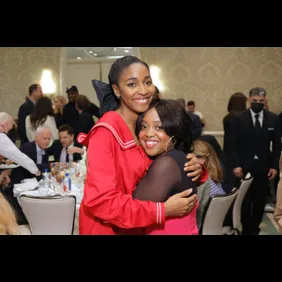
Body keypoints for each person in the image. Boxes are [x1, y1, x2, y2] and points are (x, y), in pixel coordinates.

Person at [78, 55, 206, 235]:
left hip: (138, 227)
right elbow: (101, 201)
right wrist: (161, 211)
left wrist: (192, 168)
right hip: (109, 229)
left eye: (147, 82)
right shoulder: (105, 133)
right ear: (116, 90)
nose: (143, 90)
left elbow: (167, 161)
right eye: (132, 84)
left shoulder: (146, 122)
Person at [132, 99, 198, 235]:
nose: (149, 133)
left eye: (159, 127)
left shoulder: (166, 164)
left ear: (174, 131)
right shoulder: (177, 157)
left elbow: (134, 213)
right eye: (144, 126)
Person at [226, 87, 281, 235]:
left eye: (261, 101)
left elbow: (277, 146)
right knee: (243, 201)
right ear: (249, 100)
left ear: (265, 101)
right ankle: (246, 228)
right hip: (243, 167)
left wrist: (275, 166)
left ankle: (254, 229)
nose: (258, 103)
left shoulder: (273, 119)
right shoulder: (238, 119)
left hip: (264, 167)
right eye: (255, 101)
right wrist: (235, 165)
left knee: (259, 201)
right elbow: (230, 145)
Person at [0, 112, 41, 177]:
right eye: (9, 128)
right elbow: (17, 156)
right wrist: (35, 170)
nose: (7, 132)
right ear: (5, 124)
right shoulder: (1, 136)